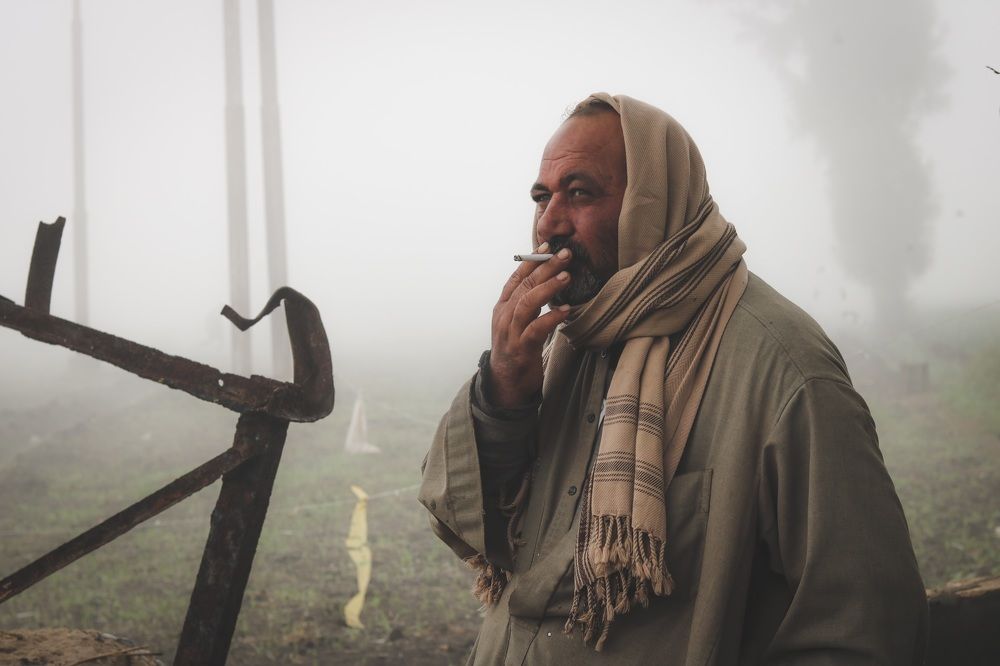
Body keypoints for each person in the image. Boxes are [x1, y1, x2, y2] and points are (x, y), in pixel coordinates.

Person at [419, 93, 927, 665]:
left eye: (580, 192)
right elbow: (485, 525)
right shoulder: (576, 334)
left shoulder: (784, 367)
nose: (549, 224)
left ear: (652, 203)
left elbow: (860, 628)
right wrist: (503, 393)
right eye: (542, 197)